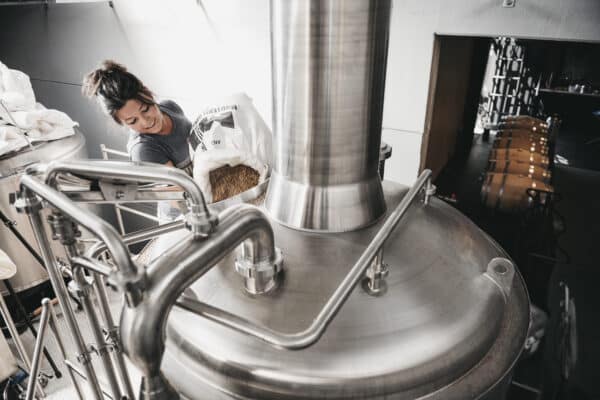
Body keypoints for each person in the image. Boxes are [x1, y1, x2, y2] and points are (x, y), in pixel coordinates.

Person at [82, 60, 194, 219]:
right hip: (184, 217)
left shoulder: (170, 107)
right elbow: (181, 199)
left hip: (210, 191)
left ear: (147, 93)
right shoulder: (144, 149)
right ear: (122, 123)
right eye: (132, 121)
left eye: (145, 109)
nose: (146, 122)